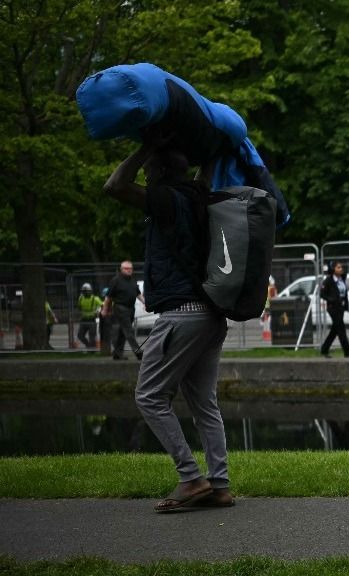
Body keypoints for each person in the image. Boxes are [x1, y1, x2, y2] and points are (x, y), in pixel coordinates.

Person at [104, 132, 233, 512]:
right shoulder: (198, 196)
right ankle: (220, 484)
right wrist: (212, 150)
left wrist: (148, 145)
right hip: (211, 316)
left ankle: (191, 478)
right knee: (204, 404)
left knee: (149, 395)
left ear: (158, 172)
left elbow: (114, 185)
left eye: (147, 171)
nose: (142, 176)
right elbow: (205, 175)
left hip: (181, 315)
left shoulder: (164, 199)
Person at [101, 260, 144, 360]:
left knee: (123, 331)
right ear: (121, 269)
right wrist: (104, 310)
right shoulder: (115, 280)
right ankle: (138, 352)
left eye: (130, 269)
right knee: (128, 330)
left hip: (131, 309)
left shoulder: (133, 280)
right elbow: (108, 297)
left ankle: (117, 354)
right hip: (120, 307)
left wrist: (144, 303)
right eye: (126, 268)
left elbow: (138, 294)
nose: (129, 270)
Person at [320, 261, 349, 358]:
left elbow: (344, 274)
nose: (341, 269)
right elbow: (322, 294)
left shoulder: (342, 278)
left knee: (335, 330)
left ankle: (324, 349)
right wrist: (331, 299)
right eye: (338, 267)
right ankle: (348, 351)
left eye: (341, 267)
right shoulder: (328, 280)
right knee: (341, 329)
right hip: (333, 308)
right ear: (333, 269)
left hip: (341, 307)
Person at [77, 283, 104, 349]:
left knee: (92, 336)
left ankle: (92, 350)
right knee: (80, 335)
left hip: (92, 320)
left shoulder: (95, 298)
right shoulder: (80, 298)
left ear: (90, 291)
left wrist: (99, 311)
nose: (85, 293)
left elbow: (103, 305)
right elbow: (79, 307)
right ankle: (89, 346)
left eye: (87, 291)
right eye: (84, 291)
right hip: (83, 320)